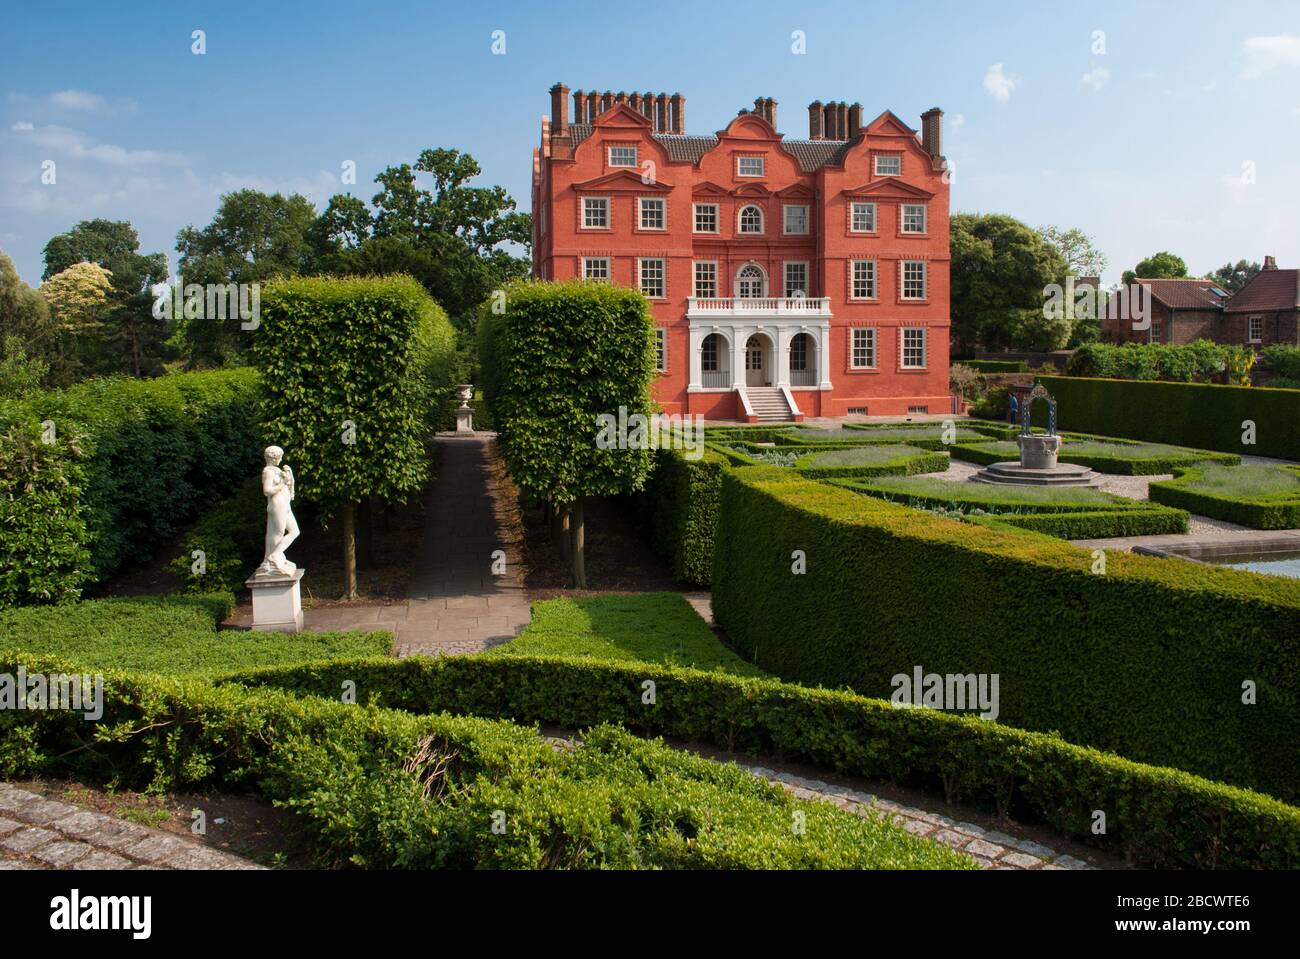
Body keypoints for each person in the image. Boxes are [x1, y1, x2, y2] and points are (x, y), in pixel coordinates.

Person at [260, 445, 300, 575]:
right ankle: (272, 559)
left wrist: (290, 476)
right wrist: (283, 482)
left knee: (295, 531)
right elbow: (267, 491)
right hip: (278, 505)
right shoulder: (268, 471)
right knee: (277, 533)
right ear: (273, 457)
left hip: (285, 504)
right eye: (279, 457)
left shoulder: (277, 470)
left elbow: (289, 488)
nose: (281, 459)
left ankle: (276, 555)